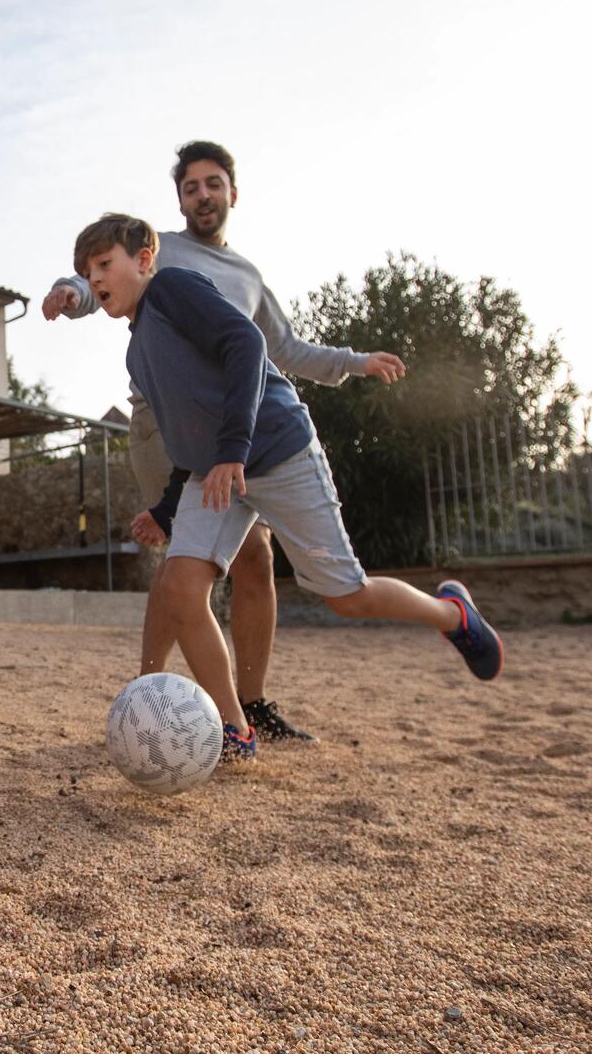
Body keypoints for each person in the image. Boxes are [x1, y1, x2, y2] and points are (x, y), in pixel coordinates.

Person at [72, 212, 503, 767]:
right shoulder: (137, 353)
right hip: (215, 473)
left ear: (145, 260)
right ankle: (236, 730)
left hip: (276, 450)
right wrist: (165, 507)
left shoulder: (174, 289)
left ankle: (454, 615)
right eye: (88, 271)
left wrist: (232, 448)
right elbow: (185, 441)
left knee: (348, 597)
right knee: (180, 586)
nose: (96, 277)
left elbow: (247, 343)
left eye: (105, 264)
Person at [42, 140, 407, 744]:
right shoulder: (154, 249)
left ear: (231, 193)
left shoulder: (246, 276)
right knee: (186, 565)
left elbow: (281, 350)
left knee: (254, 559)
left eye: (213, 184)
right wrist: (71, 293)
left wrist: (355, 361)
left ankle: (249, 704)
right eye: (191, 187)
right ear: (178, 201)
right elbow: (95, 276)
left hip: (234, 431)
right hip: (167, 427)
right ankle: (147, 695)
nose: (202, 195)